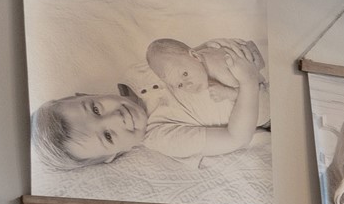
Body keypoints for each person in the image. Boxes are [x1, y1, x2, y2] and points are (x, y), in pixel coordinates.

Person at [34, 42, 268, 170]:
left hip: (254, 64)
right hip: (265, 107)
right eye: (107, 136)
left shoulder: (136, 72)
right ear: (112, 156)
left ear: (86, 94)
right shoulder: (163, 137)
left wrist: (230, 50)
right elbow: (236, 137)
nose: (116, 117)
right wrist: (248, 82)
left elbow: (192, 55)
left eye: (95, 109)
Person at [141, 37, 269, 128]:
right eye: (180, 85)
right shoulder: (198, 58)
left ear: (195, 56)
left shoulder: (222, 68)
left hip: (270, 110)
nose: (188, 85)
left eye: (185, 74)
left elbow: (257, 91)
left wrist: (229, 93)